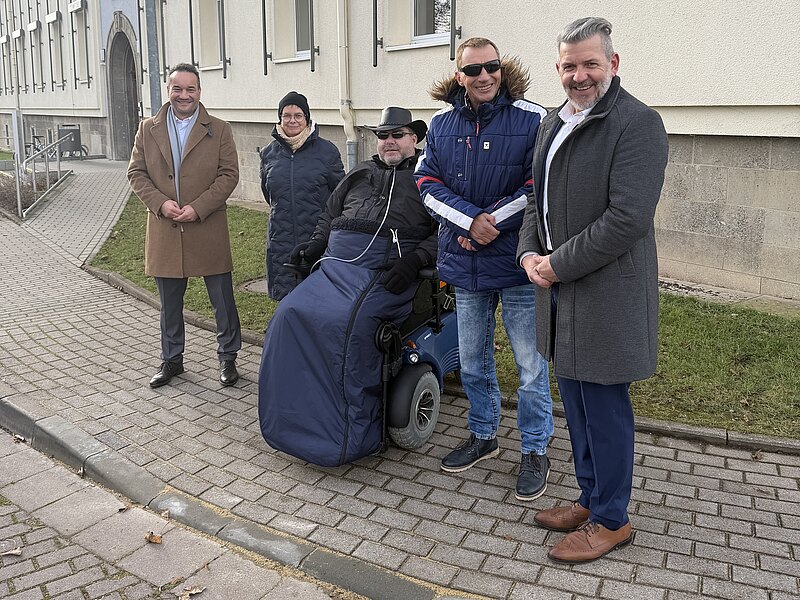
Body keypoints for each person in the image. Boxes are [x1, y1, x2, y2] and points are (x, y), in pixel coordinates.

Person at [517, 17, 668, 563]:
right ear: (557, 68)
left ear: (613, 64)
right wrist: (528, 253)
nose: (579, 76)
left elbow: (627, 219)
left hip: (606, 294)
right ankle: (590, 498)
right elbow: (535, 200)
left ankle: (612, 519)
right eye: (569, 66)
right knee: (576, 407)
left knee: (604, 410)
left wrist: (555, 265)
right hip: (559, 292)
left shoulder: (637, 123)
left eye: (590, 64)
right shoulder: (552, 122)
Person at [259, 107, 438, 466]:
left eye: (397, 135)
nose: (389, 141)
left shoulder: (428, 176)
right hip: (335, 265)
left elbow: (444, 230)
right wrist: (314, 246)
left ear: (414, 139)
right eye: (383, 135)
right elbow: (329, 215)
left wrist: (415, 260)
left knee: (347, 325)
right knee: (288, 313)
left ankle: (348, 432)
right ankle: (290, 421)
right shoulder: (360, 173)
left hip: (384, 271)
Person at [415, 37, 554, 500]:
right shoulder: (441, 123)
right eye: (473, 70)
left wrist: (486, 224)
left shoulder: (532, 118)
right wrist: (467, 222)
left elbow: (538, 186)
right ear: (460, 76)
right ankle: (483, 435)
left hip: (517, 263)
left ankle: (535, 448)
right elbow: (426, 181)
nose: (484, 76)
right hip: (466, 263)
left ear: (501, 68)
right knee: (473, 361)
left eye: (491, 66)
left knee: (530, 367)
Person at [128, 62, 242, 389]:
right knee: (169, 305)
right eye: (177, 88)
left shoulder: (219, 129)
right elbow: (136, 173)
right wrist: (160, 203)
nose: (184, 95)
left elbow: (229, 175)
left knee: (222, 300)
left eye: (190, 89)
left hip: (207, 226)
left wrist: (198, 207)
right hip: (165, 228)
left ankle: (228, 357)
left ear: (199, 92)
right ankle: (172, 360)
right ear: (168, 90)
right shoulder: (147, 129)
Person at [259, 91, 344, 300]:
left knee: (319, 299)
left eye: (298, 115)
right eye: (286, 115)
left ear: (307, 118)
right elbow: (269, 194)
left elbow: (340, 195)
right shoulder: (269, 154)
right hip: (281, 239)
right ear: (280, 118)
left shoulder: (327, 152)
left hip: (317, 238)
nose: (292, 120)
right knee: (286, 302)